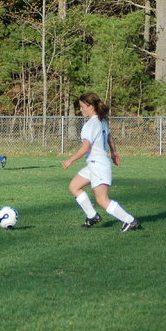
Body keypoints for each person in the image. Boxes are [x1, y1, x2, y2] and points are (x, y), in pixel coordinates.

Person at [61, 92, 140, 232]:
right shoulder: (101, 121)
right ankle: (92, 216)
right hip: (94, 164)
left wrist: (70, 160)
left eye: (82, 106)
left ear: (90, 106)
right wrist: (114, 152)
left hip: (98, 165)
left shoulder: (90, 125)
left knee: (102, 200)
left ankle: (130, 221)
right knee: (74, 186)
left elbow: (86, 147)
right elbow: (109, 137)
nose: (81, 110)